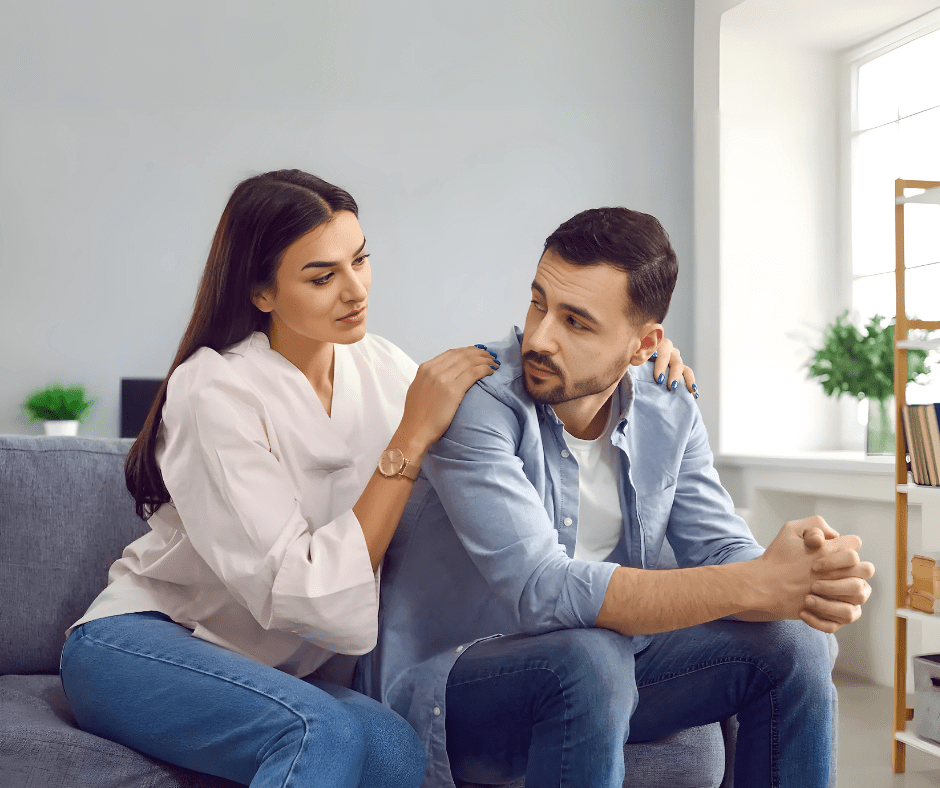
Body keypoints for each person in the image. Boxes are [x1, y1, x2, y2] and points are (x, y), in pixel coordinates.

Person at [58, 171, 693, 788]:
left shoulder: (382, 366)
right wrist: (408, 441)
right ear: (262, 293)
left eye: (360, 261)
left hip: (285, 674)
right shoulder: (213, 389)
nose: (355, 290)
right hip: (147, 641)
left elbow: (513, 388)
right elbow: (307, 593)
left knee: (396, 749)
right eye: (322, 276)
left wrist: (632, 364)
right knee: (320, 734)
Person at [357, 206, 876, 788]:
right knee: (590, 657)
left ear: (642, 344)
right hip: (457, 682)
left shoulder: (669, 401)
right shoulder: (480, 403)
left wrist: (802, 579)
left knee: (797, 643)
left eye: (576, 322)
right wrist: (757, 583)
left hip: (603, 670)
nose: (540, 336)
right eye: (538, 303)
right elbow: (540, 589)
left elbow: (718, 545)